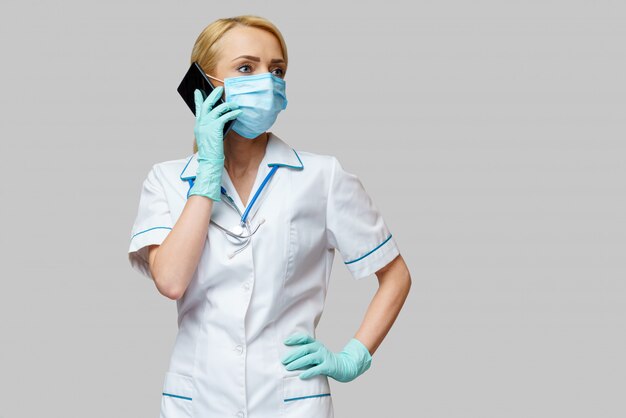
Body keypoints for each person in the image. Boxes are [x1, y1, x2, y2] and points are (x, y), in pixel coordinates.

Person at [127, 15, 412, 418]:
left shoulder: (321, 176)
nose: (267, 81)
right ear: (202, 85)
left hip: (291, 399)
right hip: (198, 398)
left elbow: (396, 275)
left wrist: (353, 356)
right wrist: (207, 174)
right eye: (246, 67)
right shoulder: (168, 180)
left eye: (277, 70)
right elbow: (171, 280)